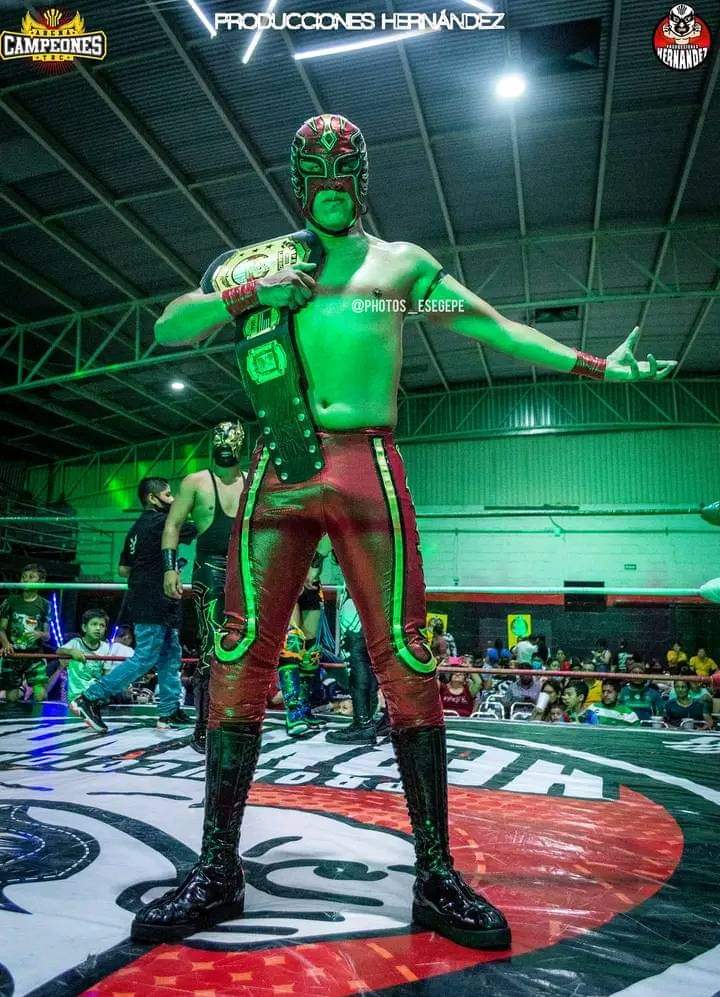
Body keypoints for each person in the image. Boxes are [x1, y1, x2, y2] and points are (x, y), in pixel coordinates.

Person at [132, 113, 674, 950]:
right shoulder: (265, 262)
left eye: (340, 172)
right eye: (315, 173)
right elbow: (170, 324)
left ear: (360, 178)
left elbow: (491, 325)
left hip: (367, 464)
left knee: (408, 659)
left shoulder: (395, 271)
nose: (329, 186)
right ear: (298, 181)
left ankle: (435, 875)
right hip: (281, 461)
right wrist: (250, 295)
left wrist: (598, 364)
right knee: (238, 657)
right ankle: (217, 869)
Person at [73, 478, 197, 735]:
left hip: (158, 598)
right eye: (168, 494)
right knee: (146, 656)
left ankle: (169, 711)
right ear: (152, 498)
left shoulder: (137, 528)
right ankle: (90, 697)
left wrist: (149, 563)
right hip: (153, 598)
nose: (173, 499)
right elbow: (198, 527)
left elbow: (123, 568)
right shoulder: (162, 522)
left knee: (170, 655)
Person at [161, 420, 246, 752]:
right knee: (211, 649)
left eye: (231, 442)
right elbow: (173, 524)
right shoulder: (195, 481)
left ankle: (233, 721)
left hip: (246, 572)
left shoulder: (251, 482)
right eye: (220, 442)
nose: (225, 448)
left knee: (243, 649)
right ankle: (203, 728)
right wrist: (170, 568)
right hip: (209, 569)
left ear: (240, 447)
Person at [326, 584, 378, 744]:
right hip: (373, 592)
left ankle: (363, 723)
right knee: (366, 655)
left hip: (360, 591)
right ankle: (368, 720)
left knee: (355, 653)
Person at [0, 564, 50, 703]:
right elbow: (1, 628)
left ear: (41, 581)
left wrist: (40, 634)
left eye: (31, 577)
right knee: (11, 698)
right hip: (13, 655)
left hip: (35, 656)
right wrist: (5, 643)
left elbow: (48, 636)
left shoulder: (45, 605)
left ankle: (38, 716)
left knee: (40, 695)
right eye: (24, 577)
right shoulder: (10, 601)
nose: (26, 580)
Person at [63, 610, 114, 706]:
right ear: (84, 627)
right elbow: (59, 650)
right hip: (76, 697)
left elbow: (106, 674)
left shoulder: (106, 647)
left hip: (95, 696)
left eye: (102, 625)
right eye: (94, 624)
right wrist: (71, 651)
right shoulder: (75, 643)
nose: (98, 628)